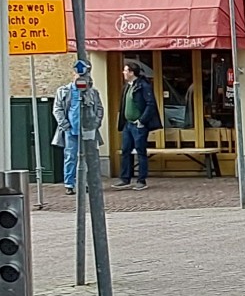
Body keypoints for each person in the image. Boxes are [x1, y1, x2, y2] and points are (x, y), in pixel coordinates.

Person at [51, 72, 104, 195]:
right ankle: (69, 184)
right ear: (73, 77)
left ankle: (86, 183)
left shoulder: (92, 92)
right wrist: (65, 125)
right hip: (71, 130)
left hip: (88, 130)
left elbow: (99, 108)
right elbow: (57, 109)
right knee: (70, 156)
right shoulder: (64, 91)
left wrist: (96, 123)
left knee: (88, 157)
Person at [114, 60, 162, 190]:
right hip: (128, 124)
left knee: (141, 152)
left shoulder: (143, 86)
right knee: (125, 151)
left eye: (125, 70)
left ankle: (141, 180)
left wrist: (142, 121)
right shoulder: (127, 86)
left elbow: (150, 104)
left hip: (138, 125)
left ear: (131, 72)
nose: (123, 72)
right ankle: (125, 178)